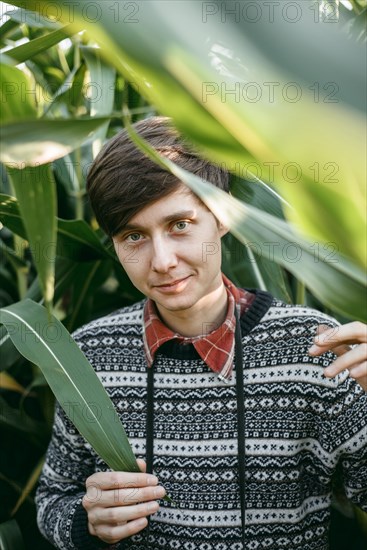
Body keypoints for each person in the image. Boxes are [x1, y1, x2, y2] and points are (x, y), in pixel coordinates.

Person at [35, 116, 367, 550]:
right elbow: (52, 499)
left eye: (179, 225)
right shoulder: (86, 357)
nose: (163, 260)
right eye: (134, 236)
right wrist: (86, 524)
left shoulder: (318, 349)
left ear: (223, 216)